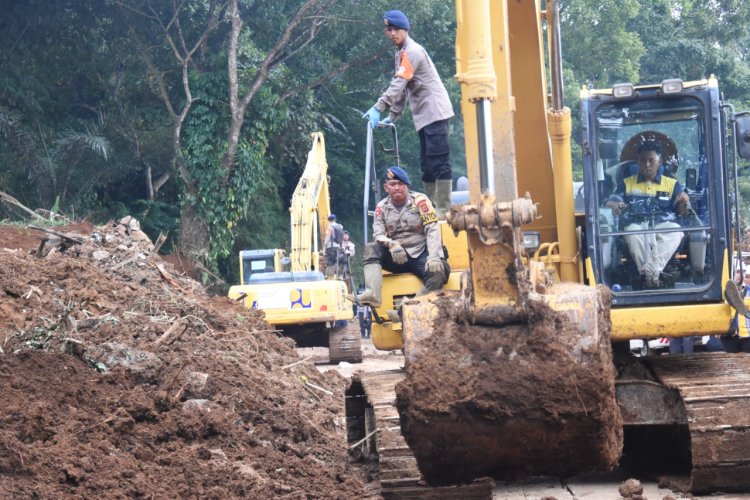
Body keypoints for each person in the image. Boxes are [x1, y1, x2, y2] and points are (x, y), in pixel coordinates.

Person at [362, 9, 454, 218]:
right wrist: (393, 115)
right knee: (426, 165)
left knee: (439, 161)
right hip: (423, 117)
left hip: (435, 112)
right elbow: (403, 88)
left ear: (405, 30)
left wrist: (379, 107)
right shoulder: (401, 53)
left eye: (396, 29)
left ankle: (443, 210)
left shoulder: (412, 51)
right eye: (388, 30)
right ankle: (431, 207)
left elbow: (398, 84)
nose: (392, 33)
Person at [352, 166, 450, 307]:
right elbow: (378, 234)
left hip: (421, 252)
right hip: (397, 256)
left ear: (407, 186)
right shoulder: (382, 207)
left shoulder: (420, 201)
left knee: (438, 272)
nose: (397, 187)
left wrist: (434, 256)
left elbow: (432, 229)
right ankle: (372, 294)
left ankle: (407, 308)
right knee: (371, 248)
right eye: (392, 184)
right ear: (386, 187)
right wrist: (391, 244)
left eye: (400, 184)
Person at [605, 139, 691, 287]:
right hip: (637, 225)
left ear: (660, 161)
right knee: (631, 232)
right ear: (638, 161)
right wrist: (617, 205)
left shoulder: (671, 184)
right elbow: (610, 202)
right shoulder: (627, 183)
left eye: (651, 160)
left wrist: (684, 202)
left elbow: (683, 211)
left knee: (677, 232)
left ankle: (651, 271)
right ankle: (650, 275)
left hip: (663, 224)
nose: (647, 164)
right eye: (643, 160)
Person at [723, 268, 750, 353]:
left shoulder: (749, 291)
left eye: (742, 272)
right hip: (731, 334)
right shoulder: (725, 292)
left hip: (747, 335)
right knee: (732, 363)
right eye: (737, 272)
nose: (739, 274)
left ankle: (741, 306)